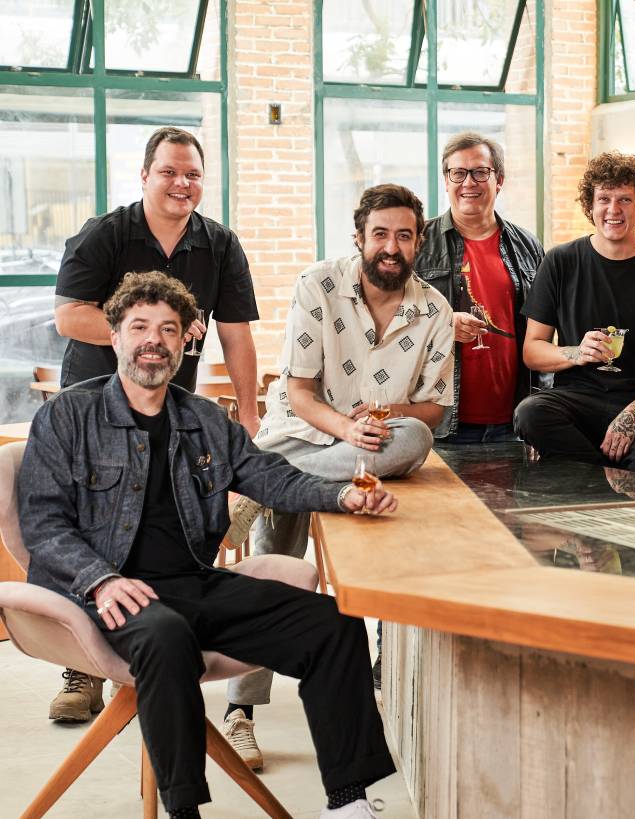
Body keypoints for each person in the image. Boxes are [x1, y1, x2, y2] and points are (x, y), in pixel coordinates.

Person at [18, 271, 396, 819]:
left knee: (332, 625)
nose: (154, 339)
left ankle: (347, 802)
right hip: (102, 593)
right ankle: (184, 810)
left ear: (185, 341)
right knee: (166, 635)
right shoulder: (67, 416)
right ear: (116, 336)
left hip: (192, 584)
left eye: (169, 330)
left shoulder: (201, 419)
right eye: (140, 326)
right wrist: (100, 580)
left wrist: (343, 495)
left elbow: (270, 477)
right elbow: (44, 523)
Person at [221, 184, 454, 763]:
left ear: (419, 241)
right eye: (380, 233)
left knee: (416, 439)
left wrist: (379, 419)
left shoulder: (435, 310)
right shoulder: (318, 284)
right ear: (359, 237)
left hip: (375, 446)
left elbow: (433, 411)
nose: (391, 246)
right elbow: (297, 392)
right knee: (274, 560)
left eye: (404, 235)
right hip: (305, 432)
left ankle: (264, 477)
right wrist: (346, 430)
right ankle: (240, 710)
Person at [49, 126, 262, 724]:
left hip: (169, 413)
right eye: (169, 172)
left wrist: (246, 416)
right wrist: (149, 330)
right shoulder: (104, 234)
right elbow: (69, 317)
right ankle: (83, 666)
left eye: (192, 173)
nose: (182, 183)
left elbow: (238, 335)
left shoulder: (219, 245)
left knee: (153, 529)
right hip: (95, 407)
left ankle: (154, 639)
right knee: (94, 530)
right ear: (145, 175)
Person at [515, 151, 635, 479]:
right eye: (604, 199)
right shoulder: (560, 262)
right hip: (576, 398)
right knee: (530, 414)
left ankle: (597, 485)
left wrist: (632, 417)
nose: (613, 210)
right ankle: (604, 482)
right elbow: (532, 350)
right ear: (590, 206)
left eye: (625, 199)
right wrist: (575, 353)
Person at [415, 131, 545, 443]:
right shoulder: (418, 242)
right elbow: (385, 319)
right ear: (446, 180)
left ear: (499, 179)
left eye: (480, 172)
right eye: (458, 173)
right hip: (440, 424)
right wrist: (443, 325)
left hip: (514, 422)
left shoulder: (528, 246)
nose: (468, 183)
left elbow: (545, 329)